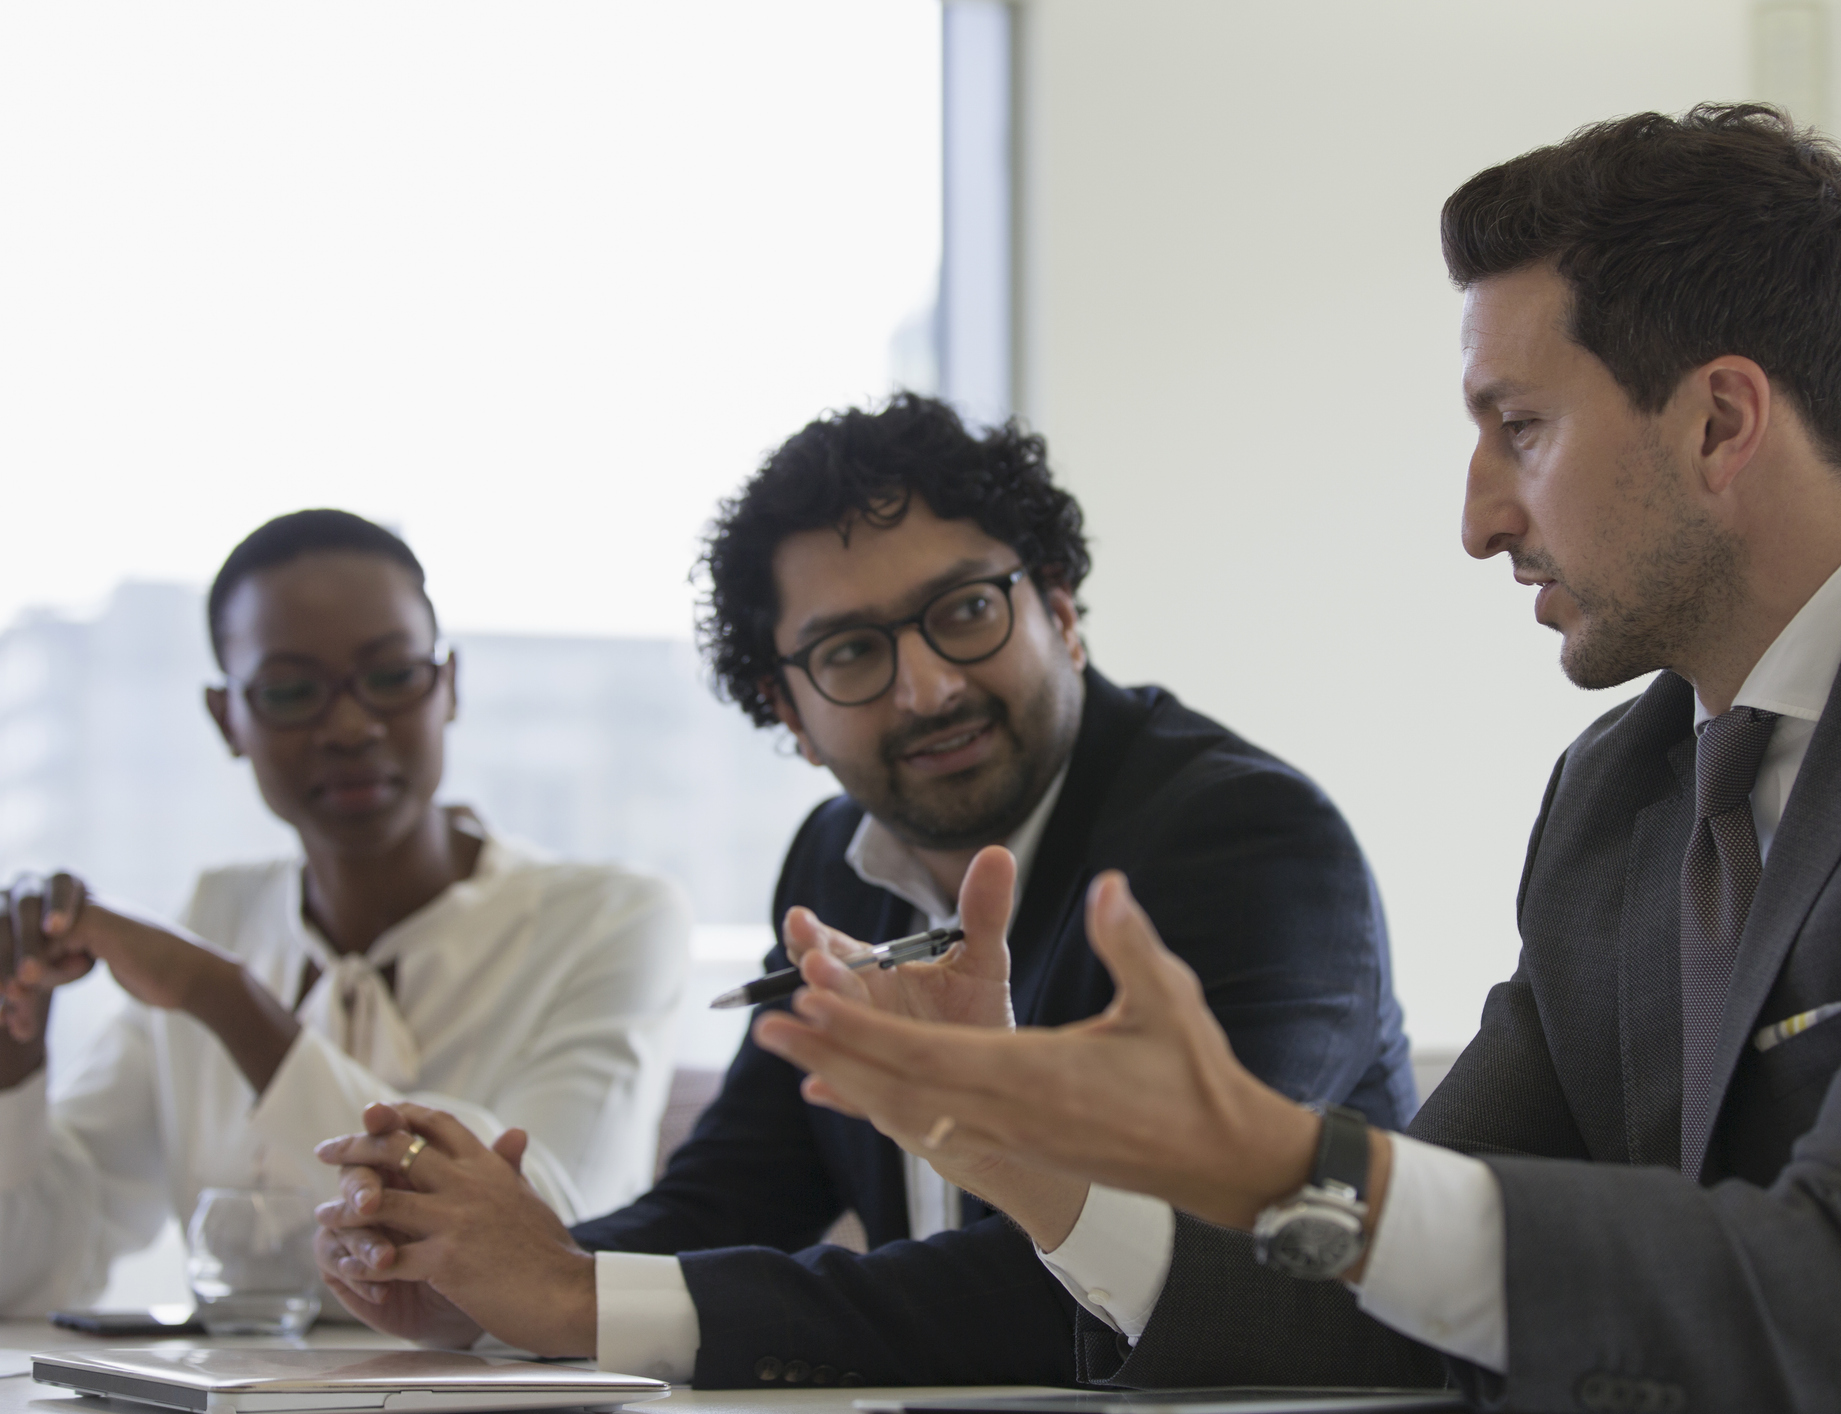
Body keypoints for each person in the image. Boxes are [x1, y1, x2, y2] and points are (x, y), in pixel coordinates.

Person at [747, 106, 1841, 1413]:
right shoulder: (1616, 794)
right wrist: (1027, 1162)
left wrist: (1297, 1161)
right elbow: (1386, 1280)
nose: (1476, 517)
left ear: (1718, 422)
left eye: (1518, 427)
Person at [309, 393, 1422, 1388]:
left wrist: (573, 1298)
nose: (929, 686)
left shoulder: (1249, 843)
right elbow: (738, 1189)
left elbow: (1143, 1261)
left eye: (967, 611)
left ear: (1062, 610)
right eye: (850, 654)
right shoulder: (836, 855)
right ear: (787, 713)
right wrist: (485, 1275)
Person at [0, 509, 690, 1316]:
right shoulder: (216, 914)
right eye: (292, 692)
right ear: (229, 720)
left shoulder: (611, 919)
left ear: (450, 687)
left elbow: (546, 1231)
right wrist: (16, 1060)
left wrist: (226, 999)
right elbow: (30, 1271)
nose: (351, 726)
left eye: (392, 676)